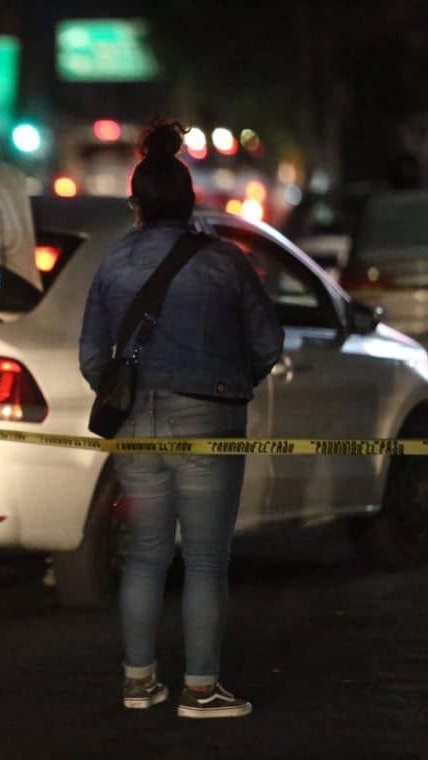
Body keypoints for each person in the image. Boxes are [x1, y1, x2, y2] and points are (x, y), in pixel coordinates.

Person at [79, 121, 284, 719]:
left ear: (136, 206)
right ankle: (201, 688)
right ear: (191, 202)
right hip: (208, 417)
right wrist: (233, 385)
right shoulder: (225, 261)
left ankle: (138, 681)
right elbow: (268, 342)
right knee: (205, 558)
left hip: (133, 425)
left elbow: (92, 358)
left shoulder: (113, 262)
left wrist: (125, 395)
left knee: (145, 555)